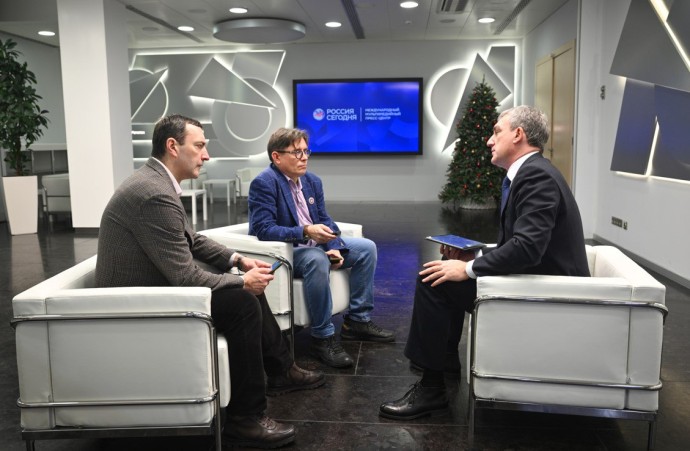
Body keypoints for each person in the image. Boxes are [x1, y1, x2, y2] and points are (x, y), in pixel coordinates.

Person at [95, 114, 324, 449]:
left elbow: (192, 239)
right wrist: (241, 282)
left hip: (150, 289)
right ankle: (246, 420)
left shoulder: (155, 183)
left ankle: (280, 370)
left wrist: (238, 261)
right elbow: (184, 277)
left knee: (244, 289)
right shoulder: (154, 194)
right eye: (200, 146)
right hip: (137, 302)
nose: (206, 155)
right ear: (173, 146)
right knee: (243, 300)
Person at [379, 105, 590, 420]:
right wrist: (473, 256)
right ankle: (444, 362)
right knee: (443, 271)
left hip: (546, 291)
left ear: (518, 135)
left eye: (496, 132)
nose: (490, 141)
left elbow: (527, 248)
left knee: (433, 281)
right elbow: (521, 245)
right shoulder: (531, 172)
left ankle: (432, 387)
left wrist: (467, 269)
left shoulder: (536, 176)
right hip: (534, 277)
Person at [247, 127, 395, 368]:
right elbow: (264, 229)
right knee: (316, 258)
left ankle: (357, 321)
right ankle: (323, 336)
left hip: (314, 245)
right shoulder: (264, 183)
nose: (304, 157)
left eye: (306, 151)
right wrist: (305, 231)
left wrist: (333, 245)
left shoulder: (312, 181)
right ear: (276, 156)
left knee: (366, 248)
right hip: (288, 251)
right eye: (296, 152)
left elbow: (325, 220)